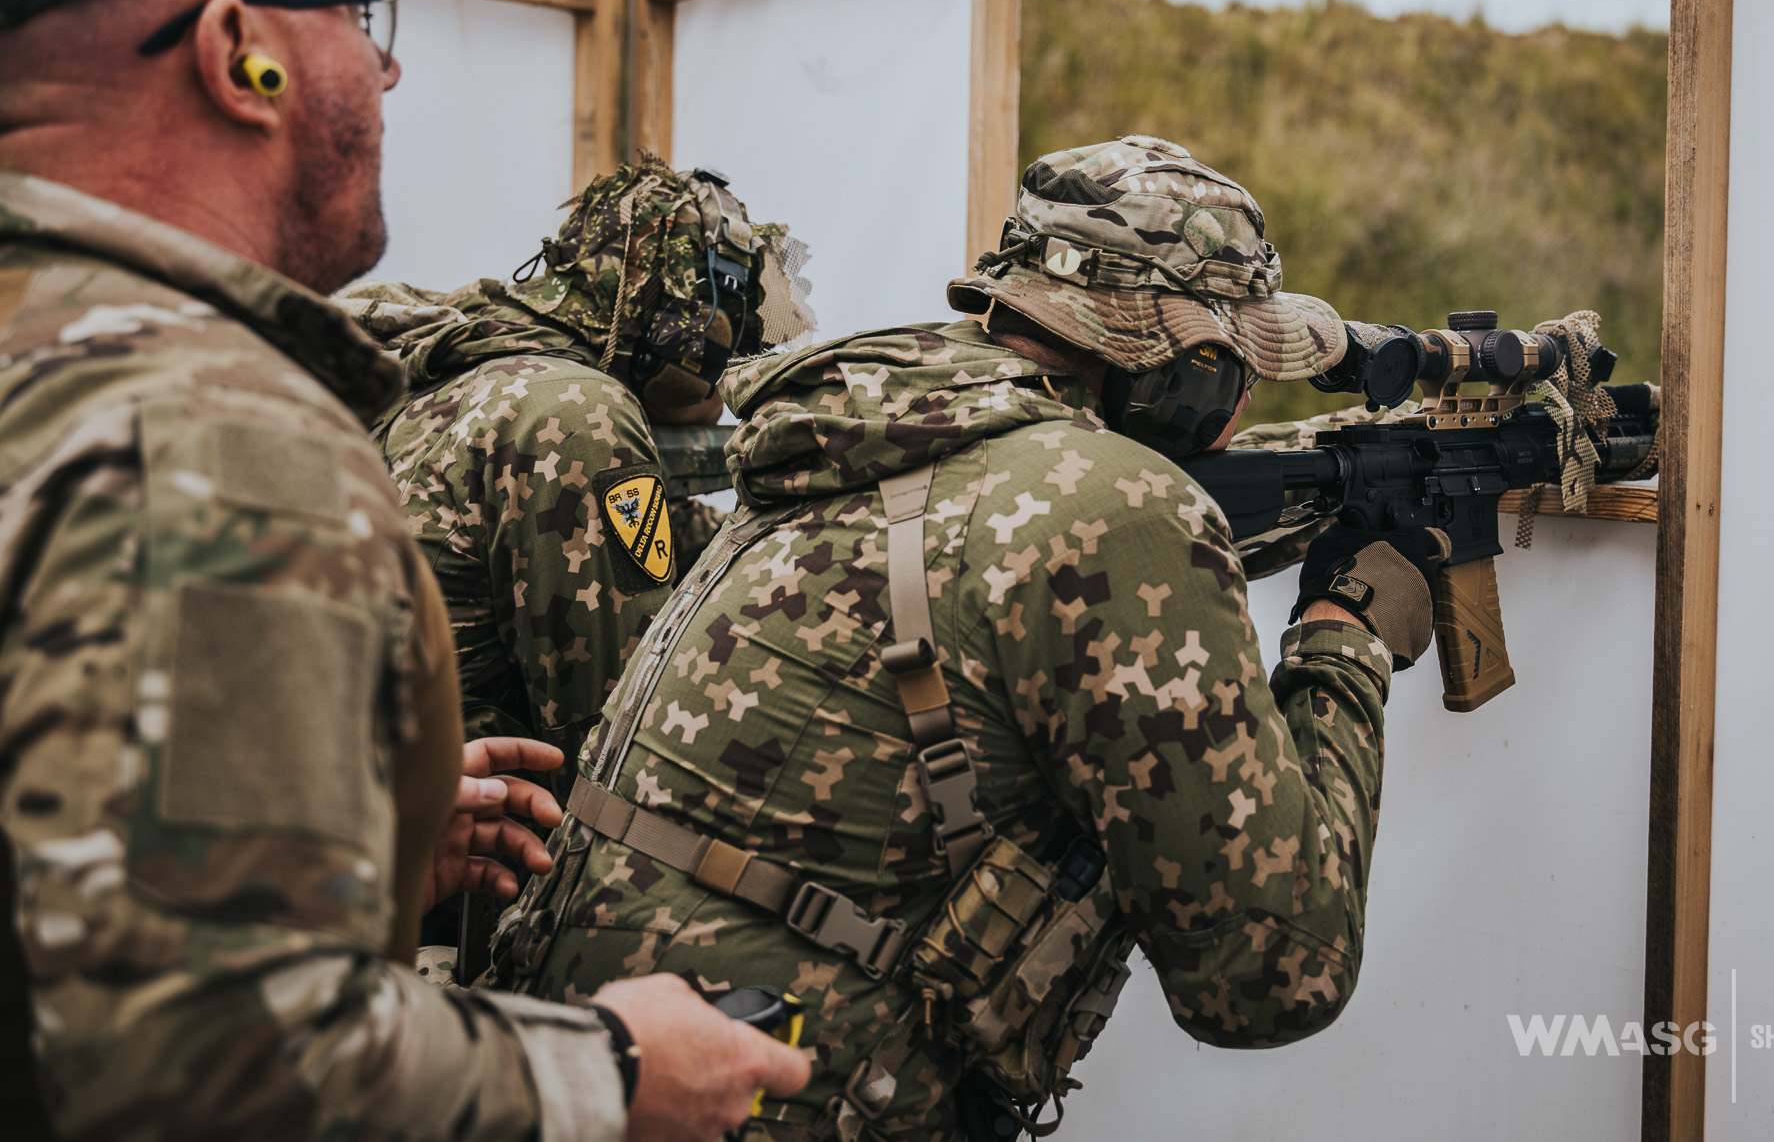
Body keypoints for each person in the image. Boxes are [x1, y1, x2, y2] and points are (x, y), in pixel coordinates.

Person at [0, 0, 804, 1139]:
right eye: (360, 12)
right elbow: (207, 1063)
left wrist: (360, 864)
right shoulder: (206, 428)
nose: (386, 71)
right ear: (237, 51)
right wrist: (605, 1069)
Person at [491, 135, 1446, 1140]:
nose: (1248, 394)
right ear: (1190, 375)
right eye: (1240, 363)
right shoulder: (1110, 505)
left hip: (591, 1053)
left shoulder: (872, 425)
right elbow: (1271, 976)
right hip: (780, 1094)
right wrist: (1343, 638)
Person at [338, 158, 812, 807]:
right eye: (731, 340)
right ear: (687, 333)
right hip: (466, 869)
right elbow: (619, 744)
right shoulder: (573, 411)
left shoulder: (465, 359)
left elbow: (615, 535)